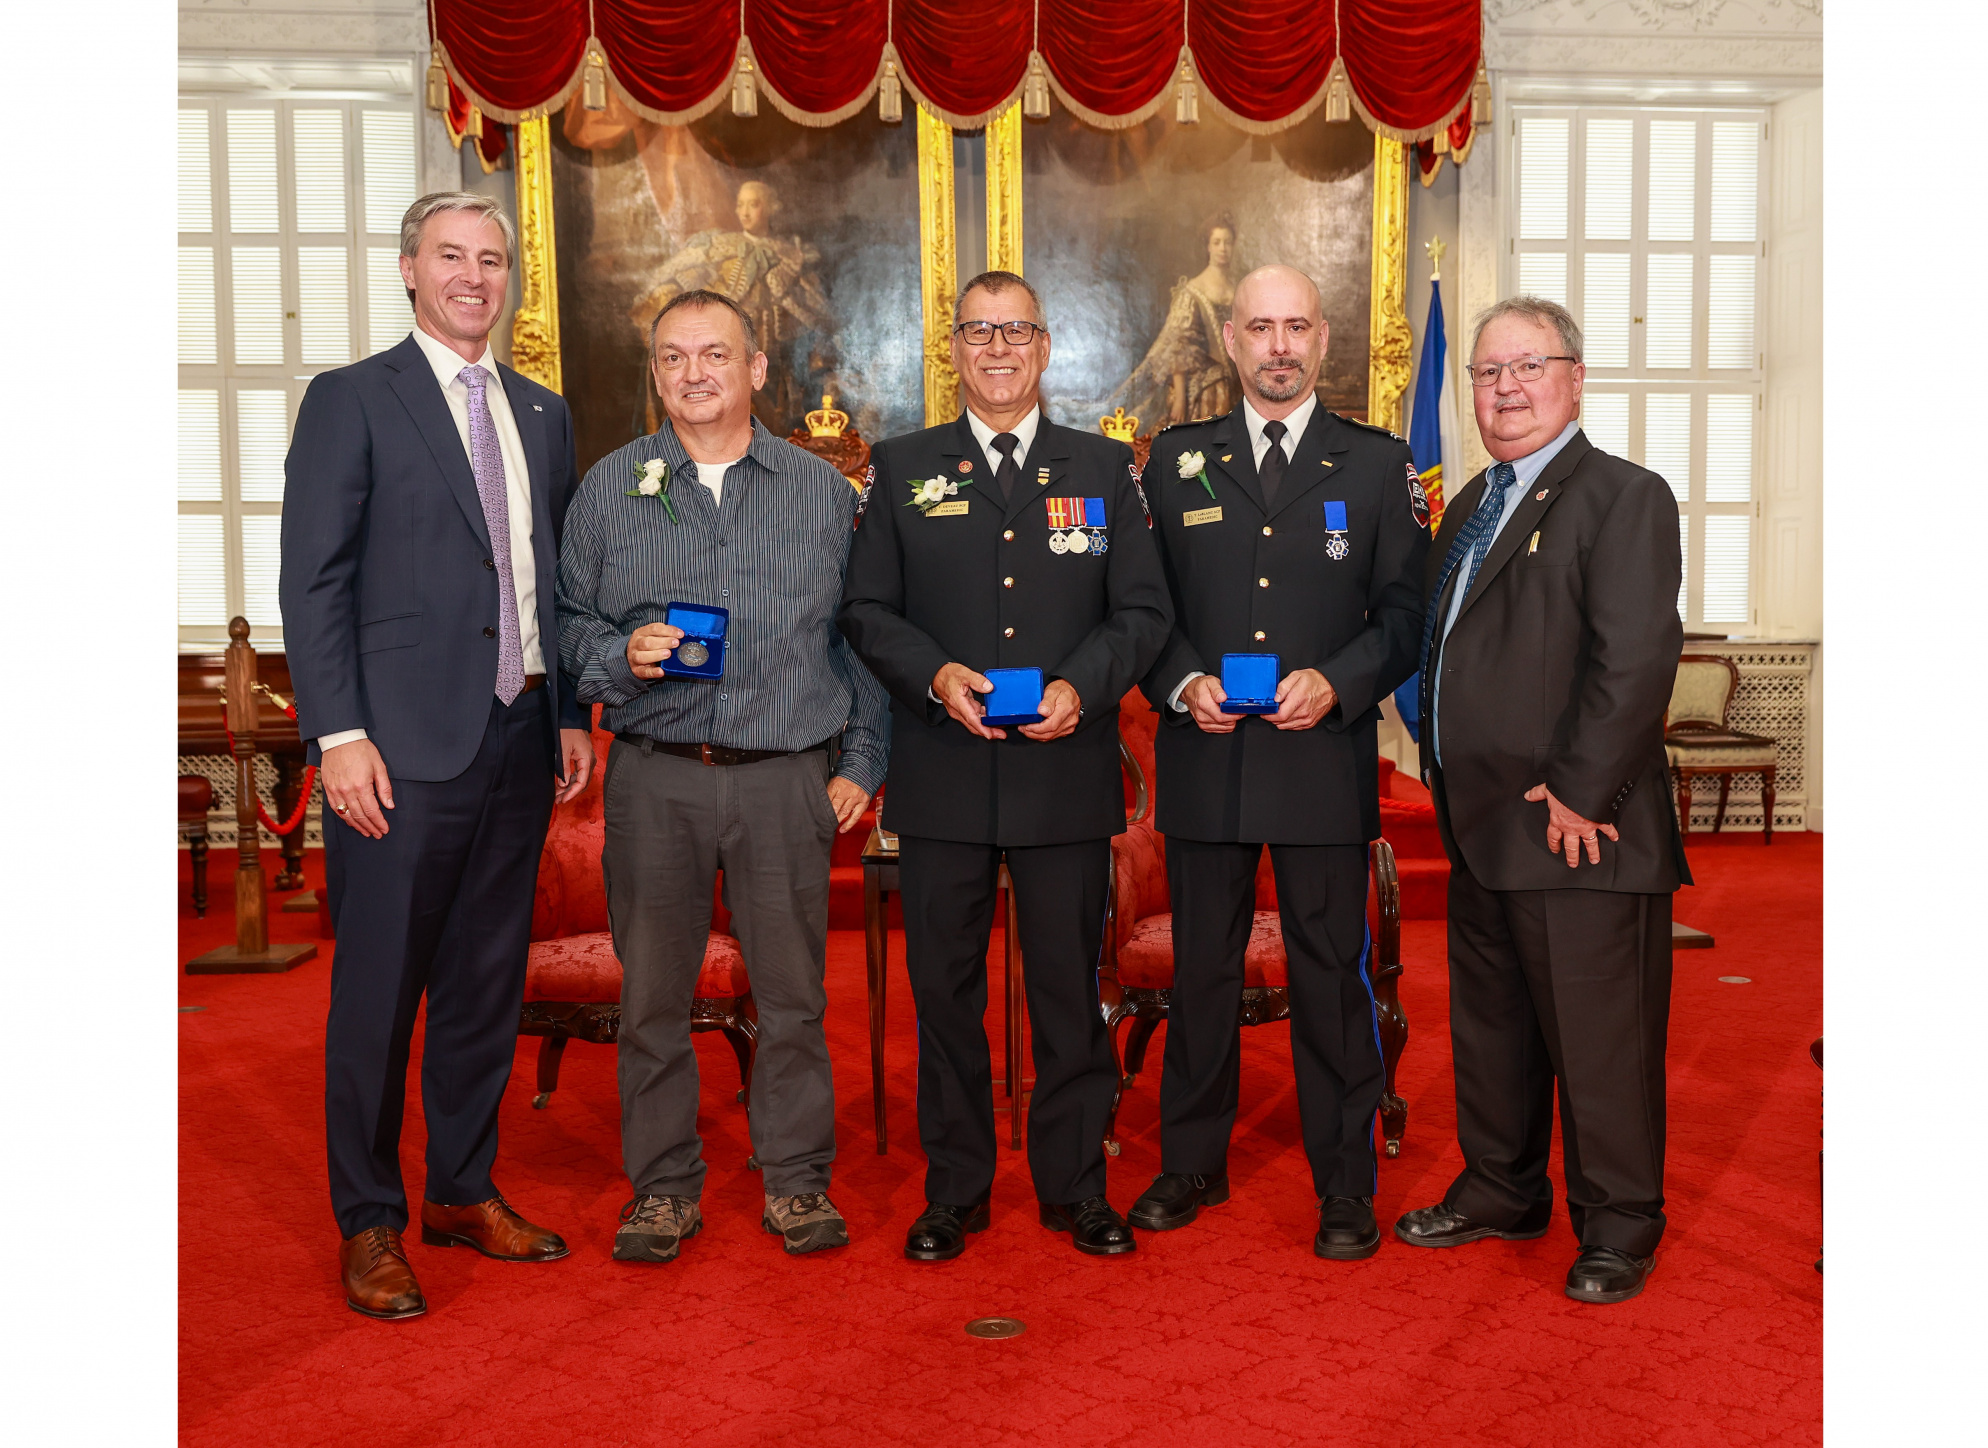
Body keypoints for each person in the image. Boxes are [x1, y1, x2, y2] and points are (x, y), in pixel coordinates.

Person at [280, 192, 595, 1321]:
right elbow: (311, 581)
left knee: (481, 984)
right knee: (376, 993)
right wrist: (339, 734)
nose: (474, 277)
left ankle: (462, 1187)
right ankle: (369, 1220)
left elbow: (546, 579)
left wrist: (564, 712)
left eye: (492, 260)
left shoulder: (543, 413)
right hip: (395, 753)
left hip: (515, 737)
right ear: (410, 270)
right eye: (451, 257)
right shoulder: (352, 400)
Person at [839, 270, 1171, 1261]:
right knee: (945, 997)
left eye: (1014, 331)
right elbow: (865, 612)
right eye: (978, 331)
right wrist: (932, 673)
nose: (997, 348)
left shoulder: (1104, 470)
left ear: (1043, 345)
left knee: (1069, 990)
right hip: (942, 772)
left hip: (1061, 773)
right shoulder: (899, 467)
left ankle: (1076, 1187)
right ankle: (955, 1191)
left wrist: (1081, 684)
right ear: (953, 347)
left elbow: (1143, 613)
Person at [557, 288, 889, 1264]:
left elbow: (860, 640)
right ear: (654, 373)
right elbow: (569, 623)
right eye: (672, 357)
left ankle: (794, 1182)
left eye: (714, 355)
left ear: (753, 370)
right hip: (655, 776)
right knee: (651, 999)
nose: (693, 373)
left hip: (785, 777)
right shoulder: (609, 489)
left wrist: (862, 762)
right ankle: (662, 1189)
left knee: (791, 1000)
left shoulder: (821, 495)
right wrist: (622, 656)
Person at [1392, 296, 1689, 1305]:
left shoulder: (1620, 497)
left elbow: (1635, 660)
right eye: (1486, 373)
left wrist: (1575, 790)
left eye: (1527, 367)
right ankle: (1501, 1188)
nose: (1504, 388)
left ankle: (1618, 1225)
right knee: (1493, 1029)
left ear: (1573, 378)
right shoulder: (1476, 503)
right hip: (1478, 823)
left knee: (1599, 1043)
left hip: (1578, 829)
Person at [1130, 264, 1428, 1259]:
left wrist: (1337, 683)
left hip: (1320, 760)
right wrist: (1179, 684)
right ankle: (1189, 1164)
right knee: (1201, 975)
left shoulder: (1375, 467)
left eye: (1294, 326)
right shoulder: (1173, 463)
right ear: (1228, 341)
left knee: (1328, 978)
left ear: (1322, 338)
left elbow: (1401, 617)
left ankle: (1344, 1184)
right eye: (1258, 327)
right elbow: (1144, 613)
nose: (1277, 345)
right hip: (1205, 757)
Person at [630, 181, 833, 435]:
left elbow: (813, 310)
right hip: (723, 354)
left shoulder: (791, 254)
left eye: (754, 204)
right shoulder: (721, 247)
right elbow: (680, 274)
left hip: (773, 355)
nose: (746, 211)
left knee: (770, 426)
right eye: (741, 205)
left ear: (771, 208)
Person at [1109, 213, 1240, 435]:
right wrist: (1179, 396)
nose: (1222, 248)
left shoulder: (1238, 289)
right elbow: (1178, 347)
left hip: (1235, 387)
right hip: (1202, 392)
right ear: (1207, 246)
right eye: (1216, 242)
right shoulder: (1193, 290)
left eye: (1227, 242)